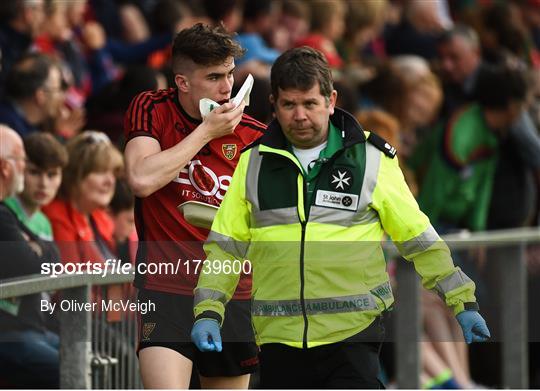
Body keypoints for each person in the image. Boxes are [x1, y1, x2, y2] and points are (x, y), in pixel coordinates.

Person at [191, 46, 490, 388]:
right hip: (277, 341)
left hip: (352, 337)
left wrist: (461, 301)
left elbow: (417, 237)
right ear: (273, 104)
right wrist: (209, 311)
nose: (299, 115)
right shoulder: (253, 164)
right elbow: (225, 248)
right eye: (289, 105)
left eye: (309, 103)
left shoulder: (370, 159)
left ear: (331, 101)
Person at [123, 23, 266, 389]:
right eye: (214, 77)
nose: (226, 87)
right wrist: (205, 132)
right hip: (166, 287)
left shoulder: (254, 136)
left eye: (231, 74)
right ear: (183, 83)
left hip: (232, 292)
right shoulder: (151, 108)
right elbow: (141, 179)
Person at [0, 124, 60, 388]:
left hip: (34, 326)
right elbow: (26, 264)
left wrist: (38, 249)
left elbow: (53, 258)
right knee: (73, 369)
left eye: (52, 174)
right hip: (10, 333)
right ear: (6, 168)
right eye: (25, 164)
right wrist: (37, 250)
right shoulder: (5, 212)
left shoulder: (14, 214)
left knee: (98, 355)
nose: (42, 182)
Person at [42, 131, 123, 264]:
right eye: (100, 171)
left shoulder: (100, 217)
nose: (110, 181)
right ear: (75, 175)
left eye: (113, 173)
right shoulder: (56, 216)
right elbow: (71, 279)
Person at [4, 132, 67, 241]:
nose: (44, 184)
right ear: (19, 169)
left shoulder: (44, 224)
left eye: (52, 175)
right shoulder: (4, 210)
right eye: (34, 172)